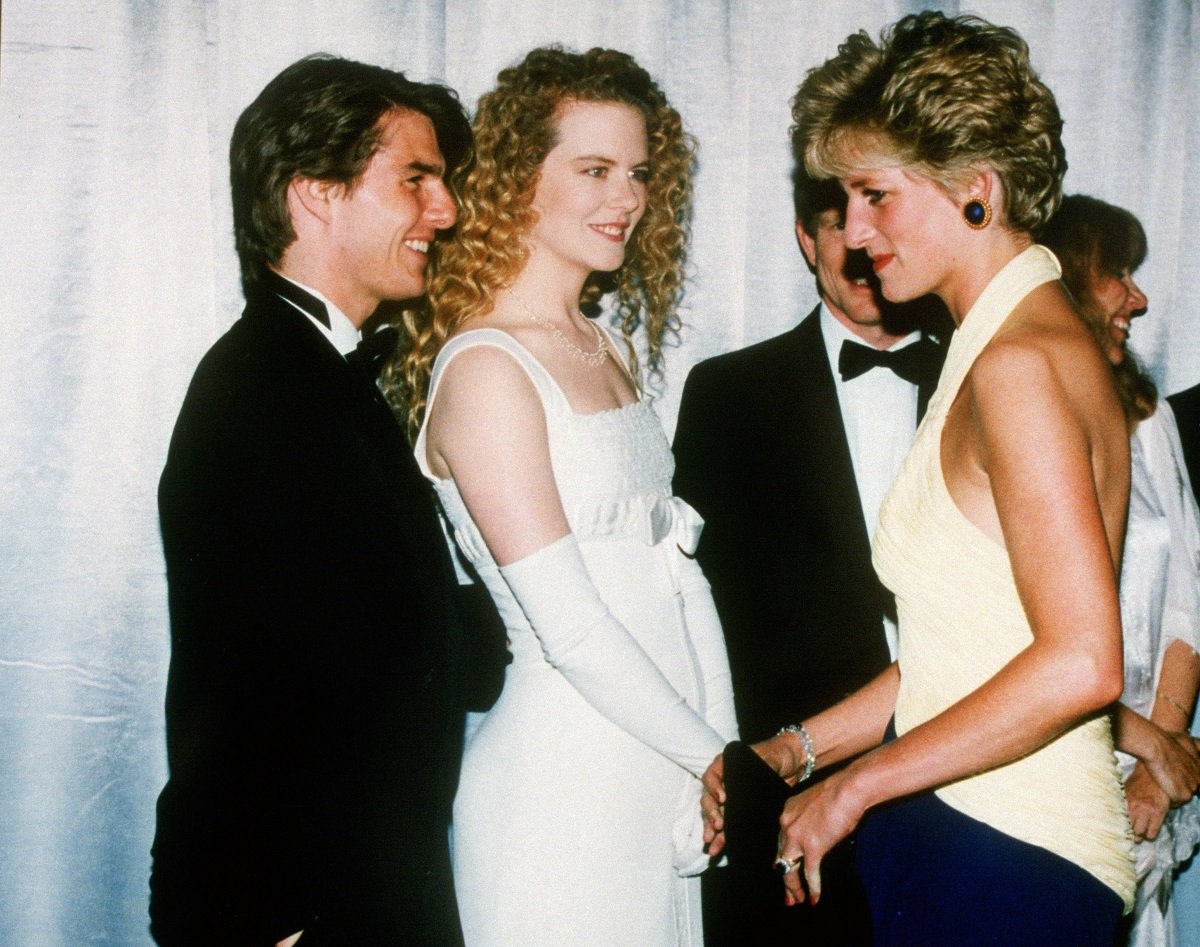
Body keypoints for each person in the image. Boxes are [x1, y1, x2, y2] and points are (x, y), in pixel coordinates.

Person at [702, 12, 1137, 944]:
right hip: (973, 835)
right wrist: (802, 751)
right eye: (843, 200)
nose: (854, 232)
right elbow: (968, 651)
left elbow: (1082, 659)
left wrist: (856, 787)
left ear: (976, 190)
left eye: (875, 196)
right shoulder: (1014, 336)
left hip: (1006, 851)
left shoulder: (1016, 363)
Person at [150, 54, 503, 947]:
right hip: (301, 913)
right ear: (315, 194)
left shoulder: (319, 380)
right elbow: (249, 703)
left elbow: (385, 645)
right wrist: (274, 924)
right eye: (416, 179)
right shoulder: (263, 394)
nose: (447, 211)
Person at [394, 46, 737, 946]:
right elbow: (574, 629)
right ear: (516, 181)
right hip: (560, 785)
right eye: (593, 170)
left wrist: (723, 755)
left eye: (638, 173)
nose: (625, 197)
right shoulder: (485, 368)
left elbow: (680, 575)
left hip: (659, 764)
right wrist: (715, 758)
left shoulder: (609, 349)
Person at [672, 165, 947, 945]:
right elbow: (698, 608)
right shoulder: (729, 394)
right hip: (798, 814)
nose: (864, 248)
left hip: (969, 786)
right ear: (807, 240)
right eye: (836, 224)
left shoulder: (987, 377)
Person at [1042, 194, 1200, 946]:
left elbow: (1187, 601)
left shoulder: (1150, 417)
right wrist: (1145, 743)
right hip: (1047, 774)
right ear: (1071, 283)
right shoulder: (1020, 414)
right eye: (1119, 275)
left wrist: (1158, 764)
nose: (1137, 297)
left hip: (1147, 783)